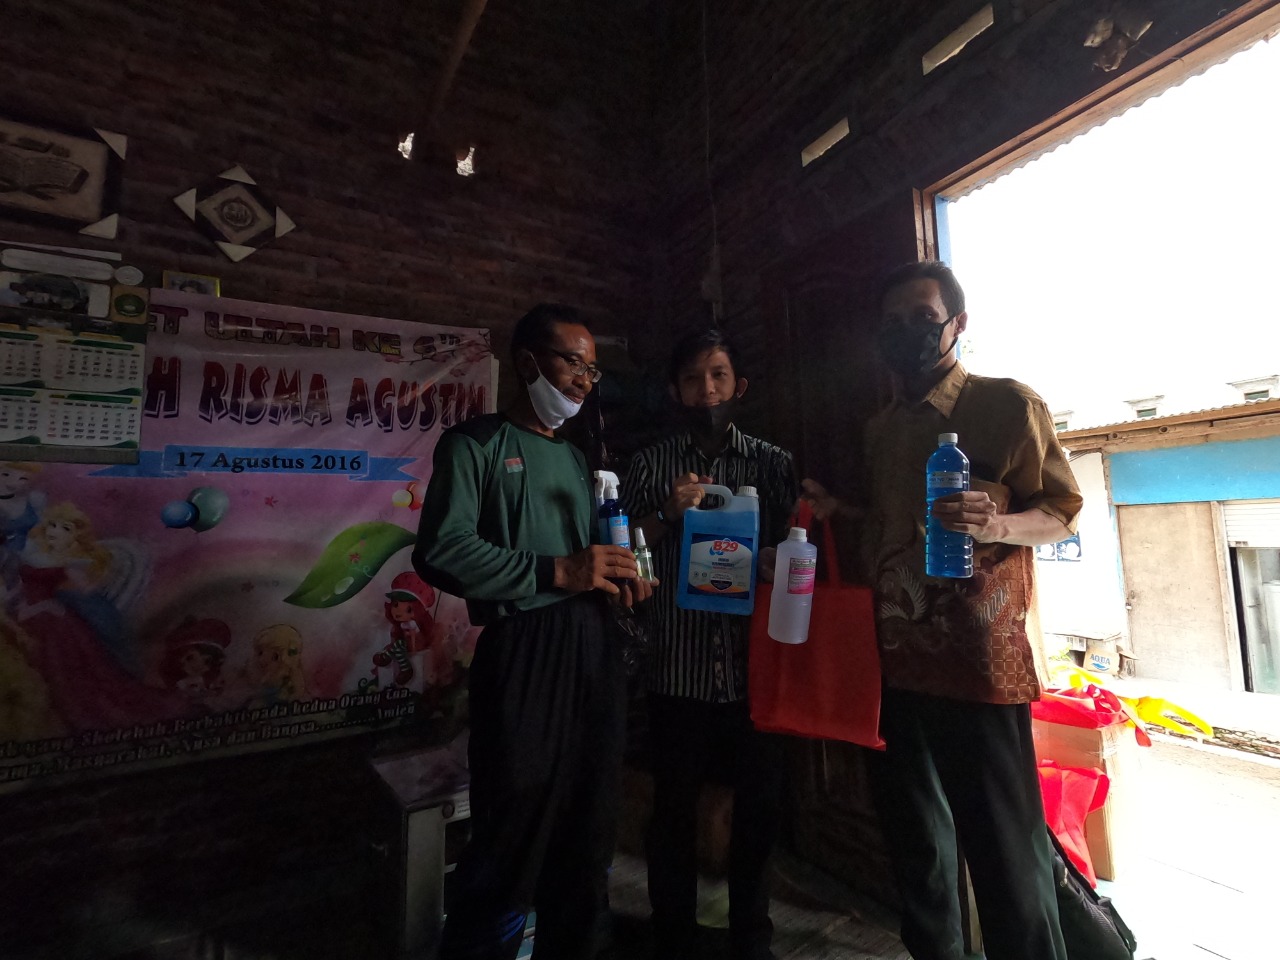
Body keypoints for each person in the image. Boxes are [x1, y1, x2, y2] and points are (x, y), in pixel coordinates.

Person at [803, 261, 1082, 960]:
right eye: (893, 323)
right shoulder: (881, 428)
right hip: (894, 658)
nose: (908, 332)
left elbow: (1062, 511)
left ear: (957, 323)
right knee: (917, 844)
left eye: (923, 318)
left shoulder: (1007, 405)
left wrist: (998, 525)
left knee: (1005, 851)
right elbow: (895, 523)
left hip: (978, 665)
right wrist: (842, 512)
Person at [413, 303, 651, 960]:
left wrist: (621, 579)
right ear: (527, 362)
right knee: (512, 828)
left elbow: (592, 557)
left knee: (590, 823)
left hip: (594, 649)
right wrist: (557, 571)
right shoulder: (475, 445)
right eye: (573, 363)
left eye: (592, 370)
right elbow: (442, 551)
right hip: (523, 652)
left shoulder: (577, 460)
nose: (584, 381)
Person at [625, 329, 797, 960]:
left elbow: (796, 548)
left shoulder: (772, 465)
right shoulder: (650, 465)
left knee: (759, 811)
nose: (708, 391)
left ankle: (752, 937)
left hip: (756, 672)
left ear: (738, 385)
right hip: (679, 670)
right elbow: (622, 551)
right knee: (673, 812)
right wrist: (665, 515)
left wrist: (777, 558)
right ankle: (672, 935)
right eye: (694, 379)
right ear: (676, 391)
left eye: (718, 376)